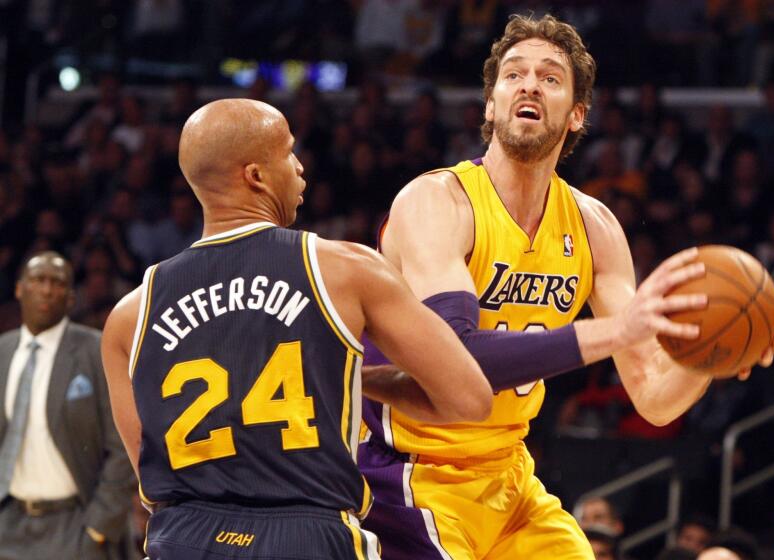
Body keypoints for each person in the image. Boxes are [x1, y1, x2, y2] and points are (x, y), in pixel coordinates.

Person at [358, 13, 774, 560]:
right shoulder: (436, 202)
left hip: (510, 477)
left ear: (577, 114)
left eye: (550, 77)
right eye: (513, 75)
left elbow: (654, 397)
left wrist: (709, 357)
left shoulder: (595, 228)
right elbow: (455, 361)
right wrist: (612, 331)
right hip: (410, 479)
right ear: (490, 104)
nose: (530, 84)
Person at [100, 98, 493, 560]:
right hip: (307, 536)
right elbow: (469, 398)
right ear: (256, 176)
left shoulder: (130, 315)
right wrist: (366, 381)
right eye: (288, 153)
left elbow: (151, 482)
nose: (301, 168)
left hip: (181, 537)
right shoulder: (345, 269)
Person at [0, 251, 134, 559]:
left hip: (74, 523)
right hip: (9, 521)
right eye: (38, 280)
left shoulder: (96, 349)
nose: (47, 289)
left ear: (71, 297)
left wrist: (99, 526)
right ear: (20, 289)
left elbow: (123, 442)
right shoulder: (3, 351)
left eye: (57, 282)